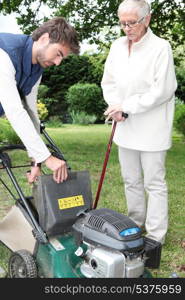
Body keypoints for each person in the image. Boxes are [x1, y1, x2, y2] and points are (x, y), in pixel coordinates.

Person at [102, 0, 177, 245]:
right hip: (125, 126)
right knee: (130, 179)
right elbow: (109, 82)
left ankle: (156, 235)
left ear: (147, 19)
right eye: (122, 23)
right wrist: (116, 107)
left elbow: (163, 90)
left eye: (131, 23)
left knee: (154, 182)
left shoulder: (160, 47)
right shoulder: (116, 46)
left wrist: (128, 106)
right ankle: (135, 224)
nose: (127, 28)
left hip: (153, 128)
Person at [0, 17, 80, 184]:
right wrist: (47, 158)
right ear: (44, 39)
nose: (58, 63)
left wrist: (36, 161)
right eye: (58, 54)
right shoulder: (5, 53)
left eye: (62, 58)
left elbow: (31, 113)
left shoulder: (37, 68)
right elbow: (15, 111)